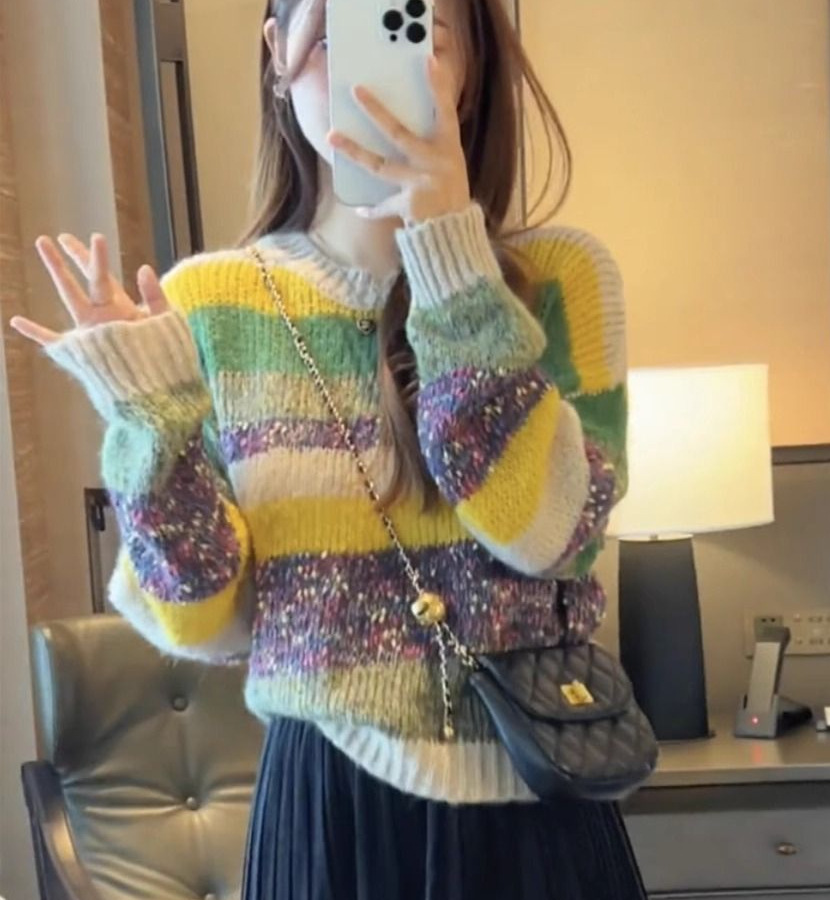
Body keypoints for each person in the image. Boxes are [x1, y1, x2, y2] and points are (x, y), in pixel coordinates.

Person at [11, 0, 643, 897]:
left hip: (536, 798)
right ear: (277, 53)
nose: (367, 68)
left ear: (470, 69)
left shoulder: (562, 277)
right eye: (335, 33)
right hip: (326, 808)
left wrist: (450, 257)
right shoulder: (211, 304)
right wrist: (149, 424)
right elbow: (209, 622)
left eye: (414, 29)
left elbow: (547, 534)